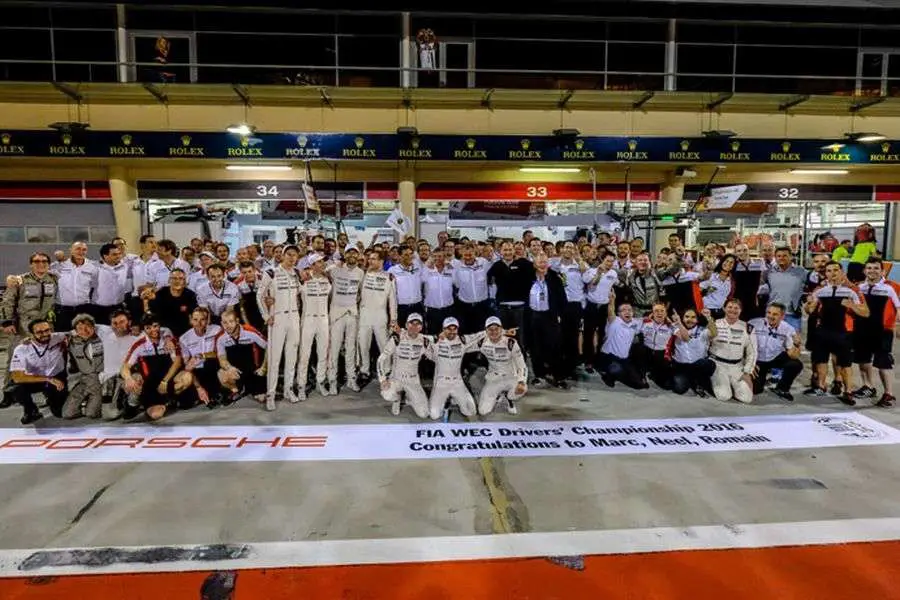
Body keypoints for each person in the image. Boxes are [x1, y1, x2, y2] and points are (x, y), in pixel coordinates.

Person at [804, 261, 869, 405]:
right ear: (825, 273)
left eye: (835, 270)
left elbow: (866, 312)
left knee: (845, 364)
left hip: (843, 332)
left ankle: (848, 391)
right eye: (828, 271)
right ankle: (821, 386)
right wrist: (810, 305)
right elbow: (809, 310)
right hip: (823, 331)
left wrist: (852, 305)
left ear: (841, 272)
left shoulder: (852, 290)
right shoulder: (820, 290)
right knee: (821, 360)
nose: (832, 273)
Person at [0, 252, 58, 407]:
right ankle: (8, 392)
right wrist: (6, 322)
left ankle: (47, 391)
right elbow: (7, 301)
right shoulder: (20, 281)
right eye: (37, 261)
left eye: (45, 261)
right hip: (22, 327)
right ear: (31, 264)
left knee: (45, 360)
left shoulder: (53, 279)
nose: (41, 264)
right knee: (15, 359)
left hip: (45, 327)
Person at [121, 313, 192, 420]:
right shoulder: (139, 345)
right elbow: (125, 366)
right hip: (150, 384)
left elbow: (177, 362)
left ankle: (169, 399)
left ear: (159, 326)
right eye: (148, 328)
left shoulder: (169, 341)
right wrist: (128, 378)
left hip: (166, 381)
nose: (153, 330)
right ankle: (132, 403)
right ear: (144, 329)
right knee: (155, 415)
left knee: (187, 377)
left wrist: (165, 381)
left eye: (155, 326)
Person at [852, 257, 900, 407]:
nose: (872, 271)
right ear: (864, 270)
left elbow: (898, 308)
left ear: (882, 271)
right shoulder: (860, 287)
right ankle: (868, 386)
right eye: (869, 268)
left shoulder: (890, 288)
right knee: (863, 360)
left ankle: (889, 394)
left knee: (883, 363)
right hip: (862, 330)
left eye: (876, 268)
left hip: (882, 331)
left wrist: (897, 326)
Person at [257, 244, 302, 403]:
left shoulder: (297, 273)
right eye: (288, 254)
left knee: (292, 357)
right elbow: (260, 295)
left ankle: (288, 390)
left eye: (294, 255)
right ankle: (270, 394)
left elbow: (302, 293)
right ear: (282, 255)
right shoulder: (271, 272)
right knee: (274, 358)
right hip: (278, 318)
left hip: (294, 318)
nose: (292, 257)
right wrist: (265, 315)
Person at [8, 318, 68, 424]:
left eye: (47, 330)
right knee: (15, 388)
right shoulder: (22, 348)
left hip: (57, 377)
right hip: (37, 379)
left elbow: (80, 331)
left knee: (60, 413)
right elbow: (17, 377)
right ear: (31, 334)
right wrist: (48, 379)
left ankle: (52, 397)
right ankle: (31, 410)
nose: (45, 334)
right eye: (39, 332)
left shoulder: (58, 337)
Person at [425, 317, 485, 420]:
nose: (452, 332)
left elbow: (481, 334)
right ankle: (443, 400)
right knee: (434, 415)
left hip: (457, 381)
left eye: (454, 329)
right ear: (443, 329)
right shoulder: (435, 341)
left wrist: (504, 332)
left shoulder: (462, 340)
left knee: (471, 411)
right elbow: (417, 337)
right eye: (449, 329)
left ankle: (455, 398)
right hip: (441, 382)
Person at [377, 313, 432, 418]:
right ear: (407, 325)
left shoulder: (425, 341)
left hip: (413, 381)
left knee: (424, 414)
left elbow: (435, 354)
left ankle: (410, 397)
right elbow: (381, 359)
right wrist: (382, 379)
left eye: (417, 324)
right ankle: (397, 399)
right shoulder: (397, 338)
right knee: (387, 393)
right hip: (396, 378)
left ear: (421, 327)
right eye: (411, 324)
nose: (414, 327)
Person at [527, 253, 569, 387]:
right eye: (539, 262)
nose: (542, 265)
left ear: (548, 264)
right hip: (533, 316)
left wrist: (560, 315)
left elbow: (563, 299)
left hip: (550, 317)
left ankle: (558, 376)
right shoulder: (528, 278)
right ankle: (539, 375)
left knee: (555, 347)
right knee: (535, 348)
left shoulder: (555, 278)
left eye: (545, 262)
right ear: (534, 264)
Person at [748, 303, 803, 401]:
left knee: (795, 364)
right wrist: (750, 363)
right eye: (768, 313)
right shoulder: (753, 323)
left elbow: (792, 355)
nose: (770, 316)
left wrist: (797, 345)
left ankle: (782, 388)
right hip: (757, 359)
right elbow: (744, 345)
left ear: (782, 316)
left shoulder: (788, 329)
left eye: (775, 314)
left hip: (774, 358)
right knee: (755, 390)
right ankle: (761, 379)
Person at [328, 246, 364, 394]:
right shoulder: (334, 269)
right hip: (337, 314)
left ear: (358, 255)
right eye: (349, 252)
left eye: (354, 252)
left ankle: (351, 379)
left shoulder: (361, 272)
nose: (352, 255)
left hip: (352, 314)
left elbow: (361, 292)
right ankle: (332, 381)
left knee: (351, 349)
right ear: (345, 254)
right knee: (334, 349)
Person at [358, 250, 398, 382]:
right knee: (363, 344)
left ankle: (387, 371)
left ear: (381, 261)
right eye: (369, 258)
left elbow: (392, 301)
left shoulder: (389, 277)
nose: (370, 261)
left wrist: (393, 320)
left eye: (374, 259)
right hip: (364, 314)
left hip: (380, 315)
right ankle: (364, 370)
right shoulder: (363, 274)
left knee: (384, 345)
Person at [488, 240, 535, 354]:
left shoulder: (524, 263)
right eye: (505, 250)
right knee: (504, 337)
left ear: (514, 250)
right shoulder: (496, 265)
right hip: (502, 307)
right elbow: (489, 280)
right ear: (500, 251)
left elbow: (534, 277)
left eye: (510, 249)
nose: (508, 252)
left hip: (520, 307)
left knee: (520, 339)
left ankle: (521, 366)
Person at [216, 309, 268, 408]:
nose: (228, 325)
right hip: (237, 371)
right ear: (222, 323)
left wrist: (264, 368)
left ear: (237, 320)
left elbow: (269, 348)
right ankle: (237, 390)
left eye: (231, 321)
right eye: (225, 323)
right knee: (221, 374)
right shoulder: (220, 338)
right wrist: (229, 368)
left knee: (261, 398)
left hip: (254, 371)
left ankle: (254, 387)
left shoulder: (250, 331)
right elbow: (222, 360)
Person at [708, 299, 757, 404]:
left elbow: (752, 352)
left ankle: (731, 384)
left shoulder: (748, 328)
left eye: (736, 308)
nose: (733, 310)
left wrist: (747, 371)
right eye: (730, 307)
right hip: (718, 365)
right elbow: (705, 344)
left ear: (741, 310)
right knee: (724, 396)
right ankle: (713, 381)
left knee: (746, 398)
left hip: (737, 367)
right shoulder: (715, 324)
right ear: (724, 308)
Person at [476, 316, 527, 416]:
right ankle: (500, 394)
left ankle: (509, 398)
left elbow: (522, 365)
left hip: (511, 377)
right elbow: (465, 342)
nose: (494, 332)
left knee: (521, 390)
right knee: (483, 411)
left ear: (501, 329)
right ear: (486, 330)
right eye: (490, 329)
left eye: (496, 329)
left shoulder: (511, 343)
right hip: (494, 378)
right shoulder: (482, 343)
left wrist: (522, 382)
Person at [297, 254, 332, 399]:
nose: (322, 264)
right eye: (319, 262)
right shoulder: (303, 279)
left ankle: (320, 382)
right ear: (311, 265)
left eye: (322, 261)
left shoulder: (327, 280)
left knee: (323, 353)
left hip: (323, 320)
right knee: (304, 355)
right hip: (308, 320)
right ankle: (301, 385)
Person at [598, 289, 646, 389]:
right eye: (623, 310)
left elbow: (647, 320)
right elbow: (611, 311)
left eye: (629, 310)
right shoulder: (614, 320)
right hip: (609, 357)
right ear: (619, 313)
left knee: (640, 385)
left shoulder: (635, 322)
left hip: (624, 359)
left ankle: (623, 373)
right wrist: (612, 300)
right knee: (616, 370)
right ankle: (607, 376)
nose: (627, 312)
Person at [550, 241, 586, 373]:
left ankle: (571, 366)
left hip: (575, 304)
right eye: (566, 247)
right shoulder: (553, 264)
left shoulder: (580, 266)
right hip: (559, 305)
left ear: (575, 250)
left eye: (571, 247)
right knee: (558, 335)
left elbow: (589, 279)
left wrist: (581, 262)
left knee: (573, 336)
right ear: (561, 249)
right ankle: (559, 364)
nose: (568, 249)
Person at [62, 313, 106, 419]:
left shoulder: (104, 337)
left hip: (101, 378)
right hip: (84, 379)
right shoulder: (71, 341)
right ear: (75, 331)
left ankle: (96, 401)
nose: (85, 331)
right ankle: (88, 400)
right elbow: (54, 336)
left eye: (88, 327)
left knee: (92, 414)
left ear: (94, 327)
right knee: (68, 414)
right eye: (80, 328)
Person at [178, 307, 222, 407]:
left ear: (207, 320)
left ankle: (215, 393)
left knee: (209, 363)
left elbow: (221, 352)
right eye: (195, 320)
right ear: (190, 320)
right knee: (185, 403)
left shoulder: (216, 330)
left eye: (202, 319)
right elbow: (186, 363)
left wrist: (202, 356)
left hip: (213, 366)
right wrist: (197, 386)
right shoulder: (184, 338)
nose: (199, 323)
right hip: (197, 371)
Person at [669, 308, 716, 397]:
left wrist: (709, 318)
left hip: (698, 365)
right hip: (681, 366)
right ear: (682, 318)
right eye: (687, 317)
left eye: (693, 317)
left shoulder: (702, 330)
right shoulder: (675, 327)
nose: (690, 320)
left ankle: (699, 381)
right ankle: (691, 380)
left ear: (697, 320)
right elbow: (685, 338)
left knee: (709, 364)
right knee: (679, 389)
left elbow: (714, 333)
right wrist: (679, 323)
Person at [53, 241, 98, 332]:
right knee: (63, 337)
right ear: (71, 250)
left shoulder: (92, 266)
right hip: (63, 310)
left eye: (84, 249)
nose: (81, 252)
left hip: (84, 309)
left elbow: (95, 286)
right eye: (78, 249)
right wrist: (19, 278)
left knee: (84, 335)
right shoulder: (59, 265)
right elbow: (41, 274)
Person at [143, 268, 198, 337]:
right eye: (174, 278)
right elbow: (151, 312)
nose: (177, 281)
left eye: (180, 278)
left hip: (185, 332)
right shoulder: (161, 293)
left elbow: (194, 316)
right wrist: (146, 300)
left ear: (184, 281)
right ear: (169, 280)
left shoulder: (191, 295)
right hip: (163, 331)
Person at [635, 303, 675, 389]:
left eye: (662, 311)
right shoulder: (645, 323)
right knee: (638, 347)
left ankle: (654, 374)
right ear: (652, 313)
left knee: (667, 386)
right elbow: (631, 324)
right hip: (647, 352)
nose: (659, 313)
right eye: (656, 311)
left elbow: (683, 336)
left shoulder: (671, 326)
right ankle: (642, 375)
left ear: (666, 313)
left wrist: (674, 323)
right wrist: (643, 319)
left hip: (661, 354)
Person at [91, 242, 130, 325]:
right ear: (105, 256)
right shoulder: (95, 268)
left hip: (119, 308)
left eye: (119, 254)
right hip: (100, 309)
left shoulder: (125, 266)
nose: (118, 256)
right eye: (114, 254)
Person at [387, 245, 424, 327]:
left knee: (419, 335)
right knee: (402, 335)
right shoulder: (392, 271)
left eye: (411, 254)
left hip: (417, 307)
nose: (409, 257)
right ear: (399, 256)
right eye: (406, 255)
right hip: (401, 309)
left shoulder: (418, 268)